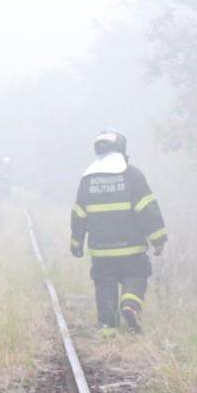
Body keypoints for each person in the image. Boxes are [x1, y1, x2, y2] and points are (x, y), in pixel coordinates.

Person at [70, 130, 167, 332]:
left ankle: (107, 327)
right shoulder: (132, 175)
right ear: (122, 150)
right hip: (132, 248)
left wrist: (76, 242)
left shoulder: (88, 179)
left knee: (105, 284)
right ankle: (130, 305)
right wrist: (158, 239)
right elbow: (147, 209)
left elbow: (79, 213)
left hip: (101, 250)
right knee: (136, 275)